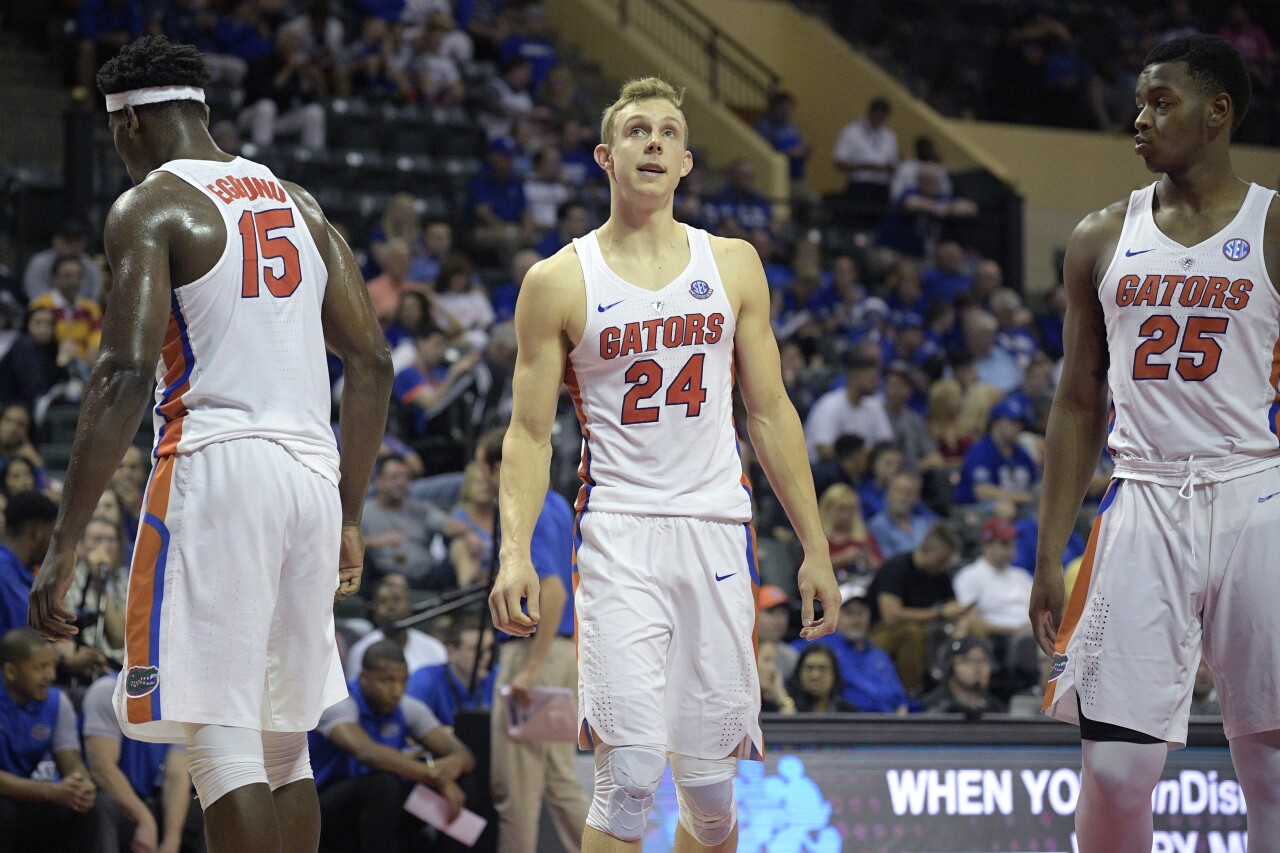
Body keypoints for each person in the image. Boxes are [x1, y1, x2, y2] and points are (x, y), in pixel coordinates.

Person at [27, 36, 393, 853]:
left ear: (129, 125)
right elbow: (371, 361)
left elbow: (124, 372)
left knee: (221, 742)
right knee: (285, 741)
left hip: (219, 469)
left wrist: (64, 539)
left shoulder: (151, 206)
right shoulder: (298, 202)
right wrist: (350, 514)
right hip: (312, 477)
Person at [488, 77, 840, 852]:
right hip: (619, 529)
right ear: (605, 156)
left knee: (710, 794)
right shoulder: (558, 279)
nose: (654, 141)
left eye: (670, 132)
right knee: (629, 778)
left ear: (685, 162)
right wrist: (515, 550)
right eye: (637, 130)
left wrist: (815, 546)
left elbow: (771, 412)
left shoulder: (734, 263)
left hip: (716, 529)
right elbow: (528, 434)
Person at [1029, 35, 1280, 850]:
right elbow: (1077, 402)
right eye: (1139, 102)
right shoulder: (1101, 235)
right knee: (1113, 769)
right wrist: (1048, 551)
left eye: (1161, 102)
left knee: (1273, 771)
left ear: (1218, 112)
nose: (1139, 119)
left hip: (1259, 492)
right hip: (1142, 494)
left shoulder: (1274, 224)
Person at [479, 431, 591, 853]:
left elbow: (554, 592)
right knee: (560, 782)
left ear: (498, 467)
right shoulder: (558, 502)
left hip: (533, 651)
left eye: (482, 469)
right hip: (564, 652)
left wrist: (529, 670)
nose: (481, 480)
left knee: (517, 789)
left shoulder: (527, 508)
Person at [309, 641, 474, 853]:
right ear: (364, 677)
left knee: (464, 781)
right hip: (324, 808)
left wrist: (448, 771)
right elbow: (367, 753)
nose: (397, 691)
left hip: (380, 809)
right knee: (383, 783)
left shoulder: (406, 707)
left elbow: (464, 755)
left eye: (403, 681)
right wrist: (434, 775)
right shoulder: (338, 703)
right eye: (387, 680)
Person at [0, 628, 101, 852]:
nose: (51, 676)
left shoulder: (56, 702)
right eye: (40, 667)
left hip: (29, 795)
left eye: (52, 666)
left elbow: (71, 761)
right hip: (8, 798)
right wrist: (50, 791)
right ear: (10, 671)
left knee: (91, 807)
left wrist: (79, 784)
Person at [81, 671, 201, 853]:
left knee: (205, 808)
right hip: (117, 800)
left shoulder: (177, 703)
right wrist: (145, 819)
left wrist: (171, 841)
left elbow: (176, 776)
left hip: (150, 800)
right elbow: (101, 768)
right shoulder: (108, 691)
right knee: (103, 804)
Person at [867, 523, 968, 693]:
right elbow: (890, 616)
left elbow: (953, 605)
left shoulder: (939, 573)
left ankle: (957, 690)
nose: (944, 566)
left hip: (923, 628)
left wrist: (961, 625)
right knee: (913, 633)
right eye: (941, 561)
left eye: (947, 562)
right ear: (925, 551)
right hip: (878, 632)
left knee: (971, 629)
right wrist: (939, 613)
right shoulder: (896, 568)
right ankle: (910, 691)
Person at [799, 582, 908, 714]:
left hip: (887, 723)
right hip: (845, 721)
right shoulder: (820, 645)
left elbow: (900, 701)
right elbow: (790, 656)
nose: (856, 619)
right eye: (849, 613)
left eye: (861, 613)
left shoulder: (880, 656)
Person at [360, 455, 454, 592]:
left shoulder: (419, 508)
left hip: (427, 574)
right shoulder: (363, 512)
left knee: (461, 547)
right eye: (394, 477)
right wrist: (377, 542)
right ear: (379, 481)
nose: (401, 482)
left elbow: (451, 525)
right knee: (394, 583)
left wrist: (468, 533)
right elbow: (345, 544)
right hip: (384, 577)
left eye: (405, 477)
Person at [344, 574, 447, 680]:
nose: (391, 607)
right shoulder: (360, 651)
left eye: (396, 600)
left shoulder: (434, 648)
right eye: (383, 602)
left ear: (409, 605)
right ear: (374, 610)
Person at [405, 618, 496, 726]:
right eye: (477, 649)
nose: (487, 657)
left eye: (489, 649)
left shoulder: (498, 676)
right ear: (451, 652)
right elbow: (410, 727)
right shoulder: (426, 679)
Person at [921, 637, 1006, 717]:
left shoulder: (997, 710)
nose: (978, 668)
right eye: (969, 660)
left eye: (983, 661)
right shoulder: (930, 709)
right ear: (950, 668)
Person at [784, 645, 857, 713]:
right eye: (809, 668)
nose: (815, 676)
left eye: (822, 669)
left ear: (834, 674)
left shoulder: (848, 712)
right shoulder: (787, 710)